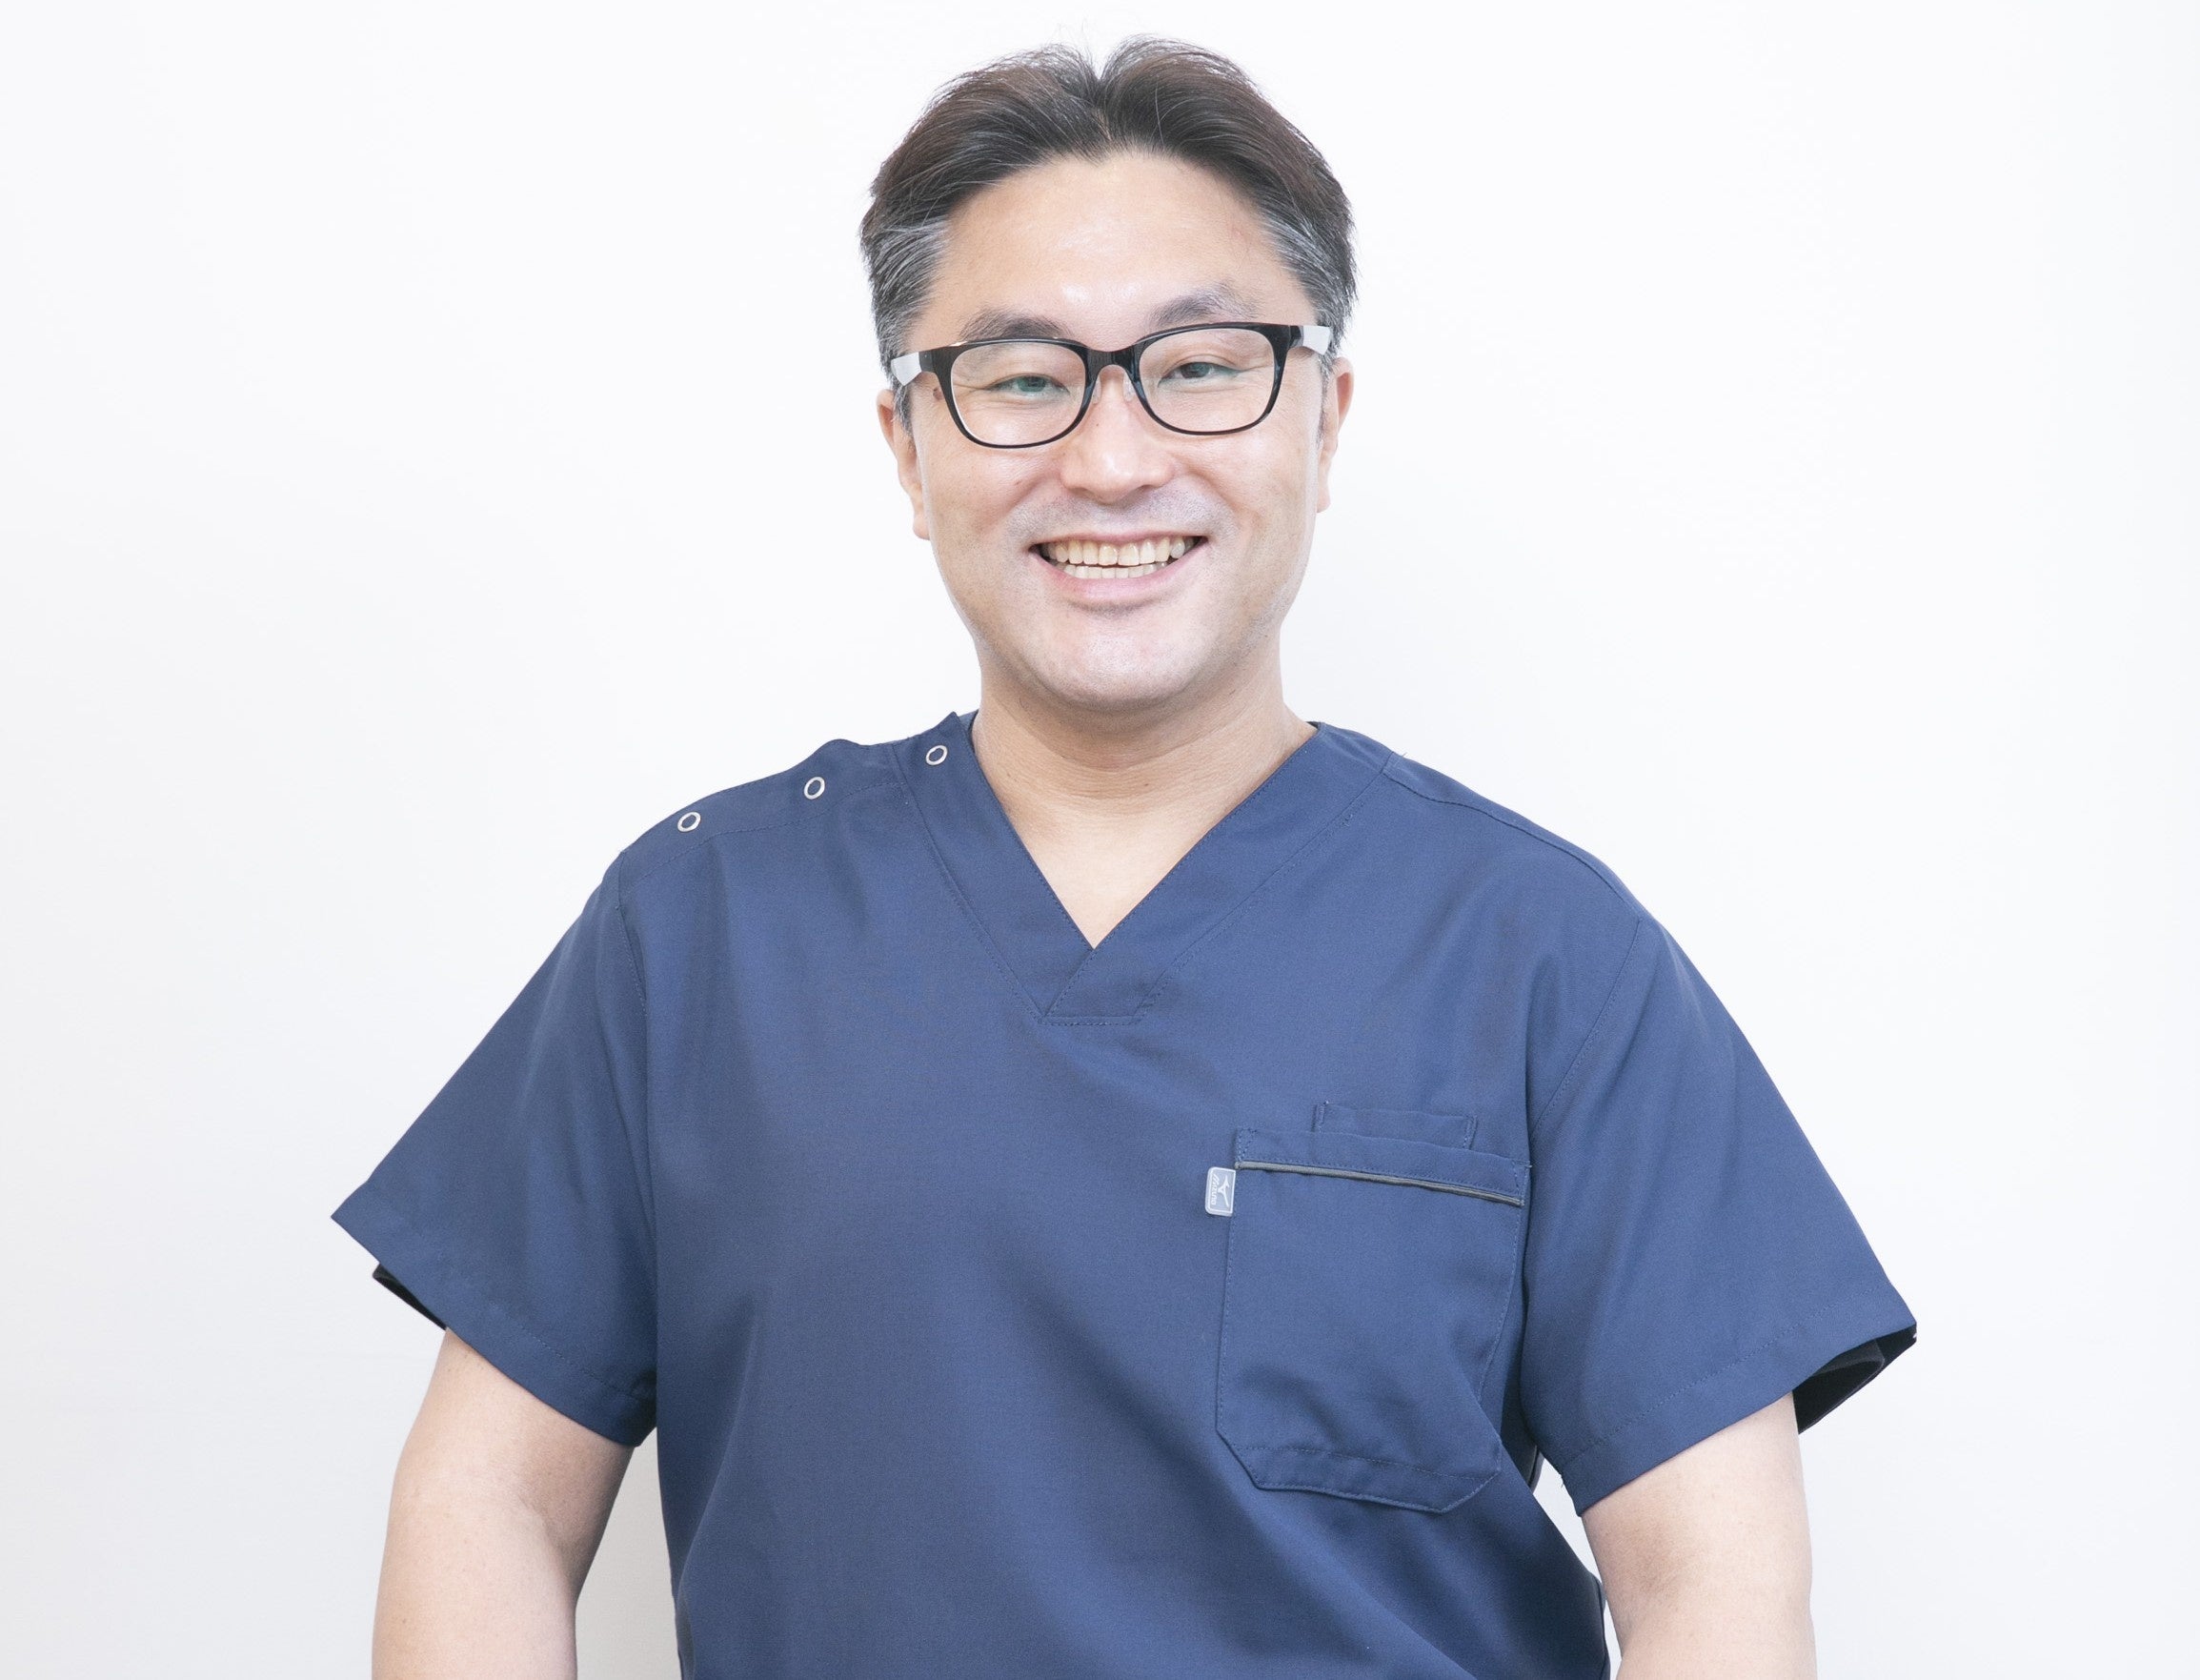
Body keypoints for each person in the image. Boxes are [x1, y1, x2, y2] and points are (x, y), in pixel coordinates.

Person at [333, 36, 1915, 1679]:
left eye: (1201, 367)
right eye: (1022, 379)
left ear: (1322, 420)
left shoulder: (1539, 956)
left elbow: (1713, 1592)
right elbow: (487, 1501)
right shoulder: (701, 928)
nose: (1109, 460)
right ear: (908, 447)